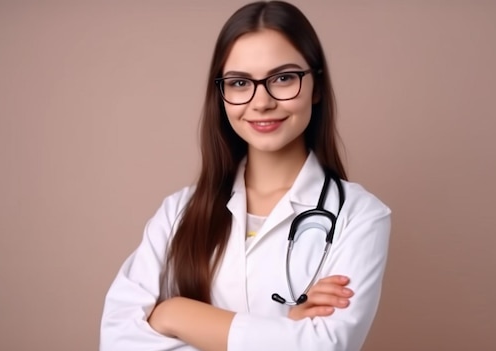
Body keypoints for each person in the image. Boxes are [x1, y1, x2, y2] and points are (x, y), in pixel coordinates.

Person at [99, 1, 391, 350]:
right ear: (221, 94)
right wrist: (282, 330)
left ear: (317, 87)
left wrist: (174, 314)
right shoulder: (177, 212)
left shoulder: (360, 215)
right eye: (239, 83)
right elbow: (118, 340)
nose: (261, 102)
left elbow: (323, 346)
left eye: (283, 78)